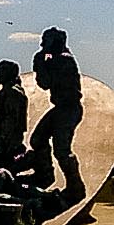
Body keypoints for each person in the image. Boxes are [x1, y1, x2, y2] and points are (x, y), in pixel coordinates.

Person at [25, 26, 85, 203]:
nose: (42, 44)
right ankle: (45, 174)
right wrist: (42, 61)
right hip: (61, 108)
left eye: (45, 40)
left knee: (62, 150)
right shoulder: (55, 58)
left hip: (69, 109)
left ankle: (76, 187)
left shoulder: (63, 60)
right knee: (37, 139)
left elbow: (45, 82)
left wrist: (40, 64)